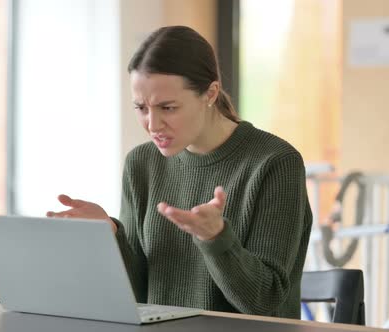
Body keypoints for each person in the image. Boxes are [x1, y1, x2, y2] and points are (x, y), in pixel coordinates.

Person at [46, 26, 312, 318]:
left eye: (168, 108)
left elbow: (265, 302)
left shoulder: (275, 162)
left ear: (210, 93)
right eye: (141, 107)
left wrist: (216, 238)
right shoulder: (141, 164)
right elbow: (139, 294)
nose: (152, 124)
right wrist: (109, 235)